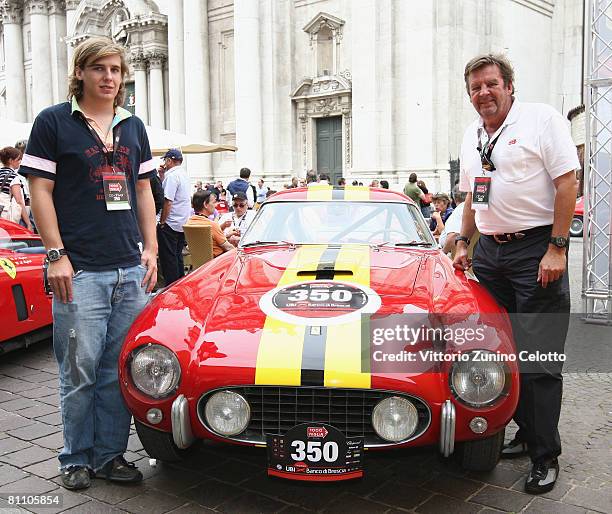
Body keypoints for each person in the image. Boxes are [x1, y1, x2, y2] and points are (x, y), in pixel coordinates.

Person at [19, 36, 157, 490]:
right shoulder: (55, 122)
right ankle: (75, 456)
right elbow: (39, 189)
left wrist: (151, 250)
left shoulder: (133, 125)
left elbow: (141, 191)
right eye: (99, 69)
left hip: (129, 269)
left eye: (116, 70)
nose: (109, 78)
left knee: (117, 369)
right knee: (78, 371)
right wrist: (55, 254)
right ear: (81, 72)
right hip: (79, 271)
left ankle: (109, 455)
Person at [453, 54, 579, 495]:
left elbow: (568, 181)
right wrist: (464, 243)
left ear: (509, 86)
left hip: (535, 252)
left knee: (539, 359)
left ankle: (545, 455)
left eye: (490, 84)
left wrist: (557, 248)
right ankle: (524, 433)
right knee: (500, 354)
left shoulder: (540, 119)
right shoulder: (472, 134)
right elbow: (472, 194)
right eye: (475, 88)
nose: (483, 93)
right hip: (490, 255)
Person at [158, 148, 191, 285]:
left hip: (170, 222)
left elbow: (168, 201)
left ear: (169, 160)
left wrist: (162, 221)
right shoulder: (183, 174)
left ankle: (171, 286)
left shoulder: (172, 176)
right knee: (177, 256)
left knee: (168, 258)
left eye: (166, 161)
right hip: (181, 222)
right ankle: (178, 284)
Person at [184, 190, 234, 257]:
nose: (215, 205)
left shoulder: (188, 223)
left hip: (199, 261)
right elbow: (228, 247)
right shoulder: (212, 225)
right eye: (213, 202)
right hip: (217, 262)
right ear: (205, 204)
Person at [439, 188, 467, 253]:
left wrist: (443, 253)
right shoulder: (472, 209)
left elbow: (453, 236)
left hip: (453, 254)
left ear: (455, 199)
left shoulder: (458, 211)